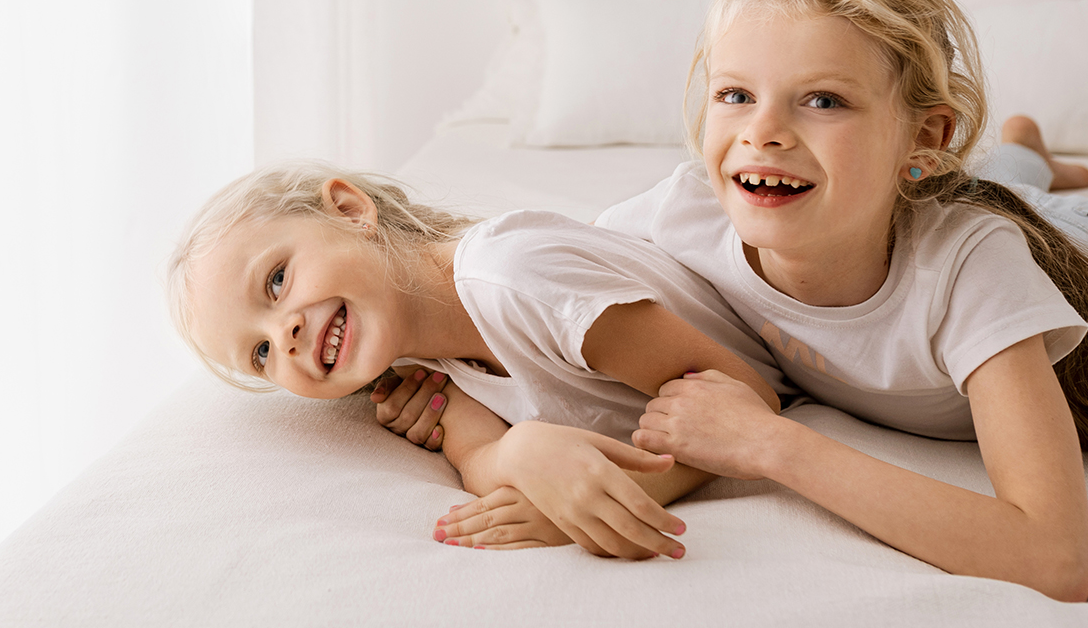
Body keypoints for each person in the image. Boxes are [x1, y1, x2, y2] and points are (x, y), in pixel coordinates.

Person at [578, 0, 1088, 601]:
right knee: (976, 188)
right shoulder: (683, 213)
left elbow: (1056, 560)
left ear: (924, 136)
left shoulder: (970, 273)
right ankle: (1027, 151)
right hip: (941, 198)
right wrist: (509, 451)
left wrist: (772, 445)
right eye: (736, 93)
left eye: (823, 100)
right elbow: (513, 310)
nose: (762, 131)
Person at [166, 163, 794, 560]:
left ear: (351, 210)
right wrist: (520, 454)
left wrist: (577, 508)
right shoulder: (423, 366)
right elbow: (478, 457)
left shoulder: (519, 281)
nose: (288, 333)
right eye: (261, 353)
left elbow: (748, 399)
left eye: (276, 281)